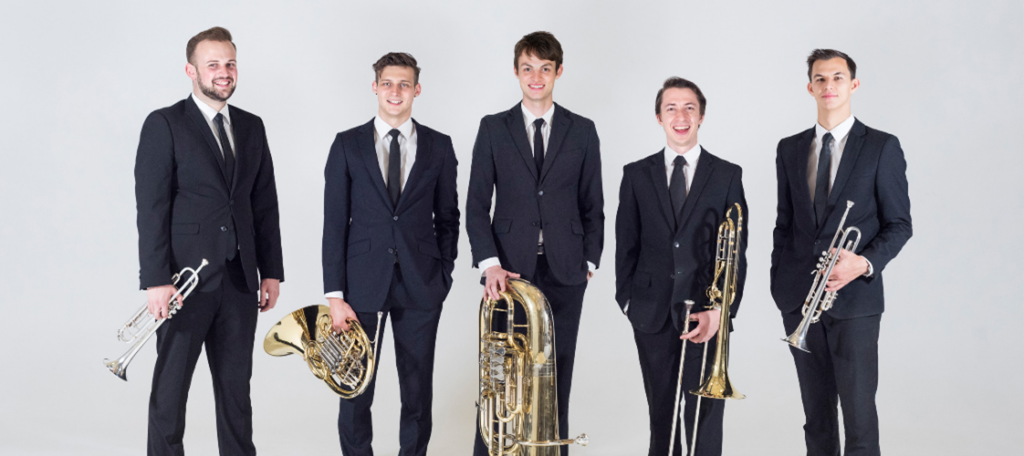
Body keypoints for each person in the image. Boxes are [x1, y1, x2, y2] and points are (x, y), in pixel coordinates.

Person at [135, 26, 284, 456]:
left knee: (237, 396)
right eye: (213, 64)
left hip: (239, 281)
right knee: (170, 393)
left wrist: (271, 271)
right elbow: (152, 208)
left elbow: (264, 204)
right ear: (191, 70)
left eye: (230, 63)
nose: (224, 72)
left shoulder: (252, 126)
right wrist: (156, 280)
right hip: (184, 283)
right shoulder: (164, 123)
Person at [466, 31, 603, 455]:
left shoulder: (583, 131)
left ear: (558, 72)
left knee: (555, 376)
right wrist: (489, 264)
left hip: (565, 271)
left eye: (545, 68)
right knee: (500, 379)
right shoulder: (493, 128)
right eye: (528, 68)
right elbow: (474, 205)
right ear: (516, 72)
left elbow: (593, 204)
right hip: (508, 274)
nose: (536, 77)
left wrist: (589, 263)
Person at [771, 49, 912, 456]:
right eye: (820, 78)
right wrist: (779, 285)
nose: (828, 85)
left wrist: (863, 263)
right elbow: (785, 223)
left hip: (856, 302)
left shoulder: (882, 147)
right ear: (810, 87)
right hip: (799, 299)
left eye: (837, 77)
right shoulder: (789, 149)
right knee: (815, 418)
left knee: (859, 416)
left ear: (853, 84)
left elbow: (900, 224)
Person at [322, 52, 459, 456]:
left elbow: (448, 217)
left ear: (417, 89)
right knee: (354, 388)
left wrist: (443, 274)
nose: (395, 91)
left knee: (417, 390)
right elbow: (334, 223)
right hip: (360, 285)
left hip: (421, 282)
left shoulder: (438, 145)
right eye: (387, 83)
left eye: (404, 84)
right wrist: (335, 294)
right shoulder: (347, 145)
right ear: (375, 87)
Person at [615, 77, 747, 456]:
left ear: (701, 115)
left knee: (705, 415)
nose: (681, 115)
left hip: (707, 314)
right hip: (651, 313)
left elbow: (737, 252)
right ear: (659, 117)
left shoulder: (726, 174)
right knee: (662, 414)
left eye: (689, 107)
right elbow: (627, 246)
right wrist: (628, 302)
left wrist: (721, 312)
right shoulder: (636, 174)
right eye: (671, 108)